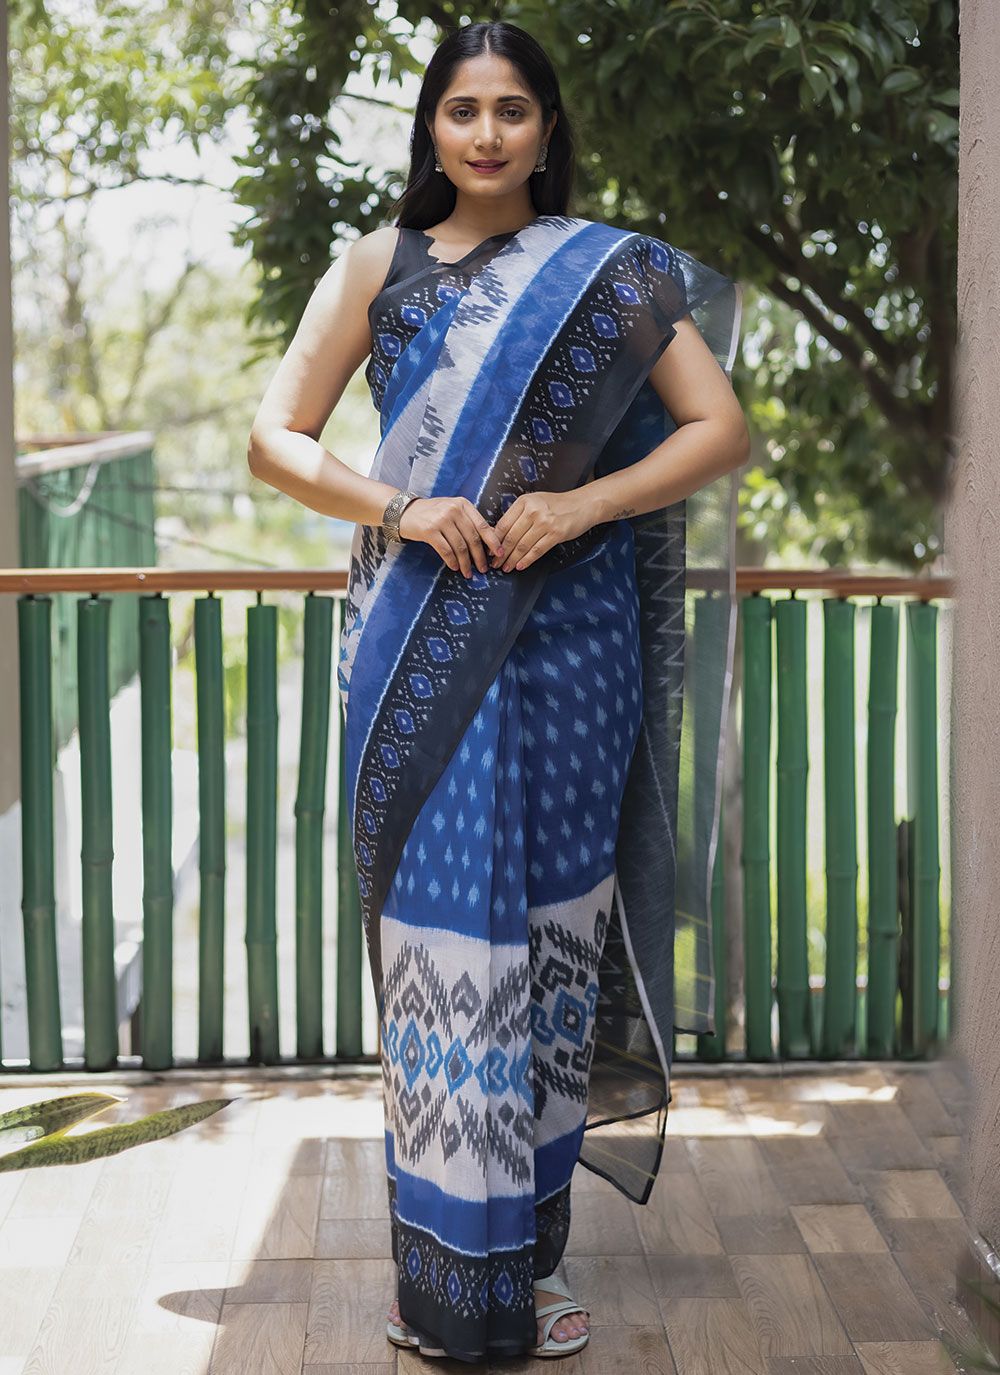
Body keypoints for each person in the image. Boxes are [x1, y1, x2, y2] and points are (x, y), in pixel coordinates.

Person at [247, 18, 748, 1365]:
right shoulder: (381, 265)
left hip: (574, 645)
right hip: (417, 644)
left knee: (549, 940)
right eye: (461, 109)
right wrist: (402, 506)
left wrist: (582, 501)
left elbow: (721, 428)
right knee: (440, 956)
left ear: (546, 129)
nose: (485, 133)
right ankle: (441, 1278)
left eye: (511, 110)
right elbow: (274, 438)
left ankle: (528, 1261)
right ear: (431, 127)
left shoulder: (611, 273)